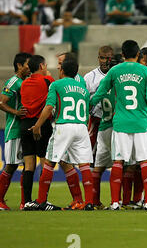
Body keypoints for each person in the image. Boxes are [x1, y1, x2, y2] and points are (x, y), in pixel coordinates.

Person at [90, 40, 147, 211]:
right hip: (141, 122)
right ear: (138, 53)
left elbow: (100, 93)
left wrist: (87, 103)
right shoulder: (146, 71)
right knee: (144, 161)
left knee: (118, 161)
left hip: (120, 123)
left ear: (123, 55)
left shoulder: (115, 70)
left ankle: (114, 203)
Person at [30, 58, 94, 211]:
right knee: (84, 165)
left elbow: (49, 106)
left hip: (64, 126)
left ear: (62, 71)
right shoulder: (83, 89)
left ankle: (41, 201)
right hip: (81, 127)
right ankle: (88, 202)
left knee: (50, 161)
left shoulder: (56, 85)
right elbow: (86, 112)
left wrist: (38, 125)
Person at [20, 55, 55, 210]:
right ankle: (42, 200)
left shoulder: (24, 83)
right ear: (42, 66)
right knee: (44, 162)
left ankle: (26, 202)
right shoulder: (47, 81)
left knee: (28, 165)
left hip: (25, 125)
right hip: (40, 125)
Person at [84, 45, 114, 208]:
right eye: (102, 58)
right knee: (95, 164)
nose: (105, 61)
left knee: (123, 163)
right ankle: (95, 201)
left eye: (108, 58)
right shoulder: (90, 77)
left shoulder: (117, 73)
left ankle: (122, 200)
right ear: (98, 58)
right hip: (97, 123)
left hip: (117, 124)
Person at [0, 53, 31, 210]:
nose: (29, 67)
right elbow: (1, 102)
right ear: (19, 65)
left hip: (26, 130)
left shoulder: (27, 81)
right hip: (14, 130)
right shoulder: (13, 82)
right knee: (11, 165)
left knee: (28, 165)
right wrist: (16, 112)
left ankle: (24, 202)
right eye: (27, 64)